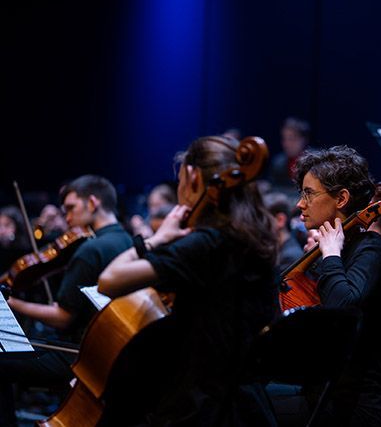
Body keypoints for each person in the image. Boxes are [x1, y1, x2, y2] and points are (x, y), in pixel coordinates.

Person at [98, 135, 279, 426]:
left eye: (180, 180)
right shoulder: (257, 239)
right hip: (243, 404)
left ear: (193, 177)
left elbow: (109, 280)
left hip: (196, 406)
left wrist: (155, 239)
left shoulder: (207, 244)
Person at [0, 175, 132, 426]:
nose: (67, 217)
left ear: (92, 202)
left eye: (71, 208)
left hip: (79, 355)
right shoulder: (126, 240)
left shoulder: (90, 250)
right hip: (110, 351)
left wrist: (12, 304)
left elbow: (63, 317)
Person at [290, 145, 381, 426]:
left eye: (308, 193)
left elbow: (341, 305)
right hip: (325, 391)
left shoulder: (371, 249)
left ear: (341, 198)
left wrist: (330, 257)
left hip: (354, 406)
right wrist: (319, 262)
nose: (300, 204)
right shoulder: (342, 250)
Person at [268, 117, 311, 197]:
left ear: (304, 139)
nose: (286, 144)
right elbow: (273, 187)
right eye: (284, 139)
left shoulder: (316, 162)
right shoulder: (278, 162)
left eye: (292, 139)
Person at [263, 191, 304, 274]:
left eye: (263, 219)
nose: (258, 225)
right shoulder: (282, 250)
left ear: (280, 220)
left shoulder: (290, 257)